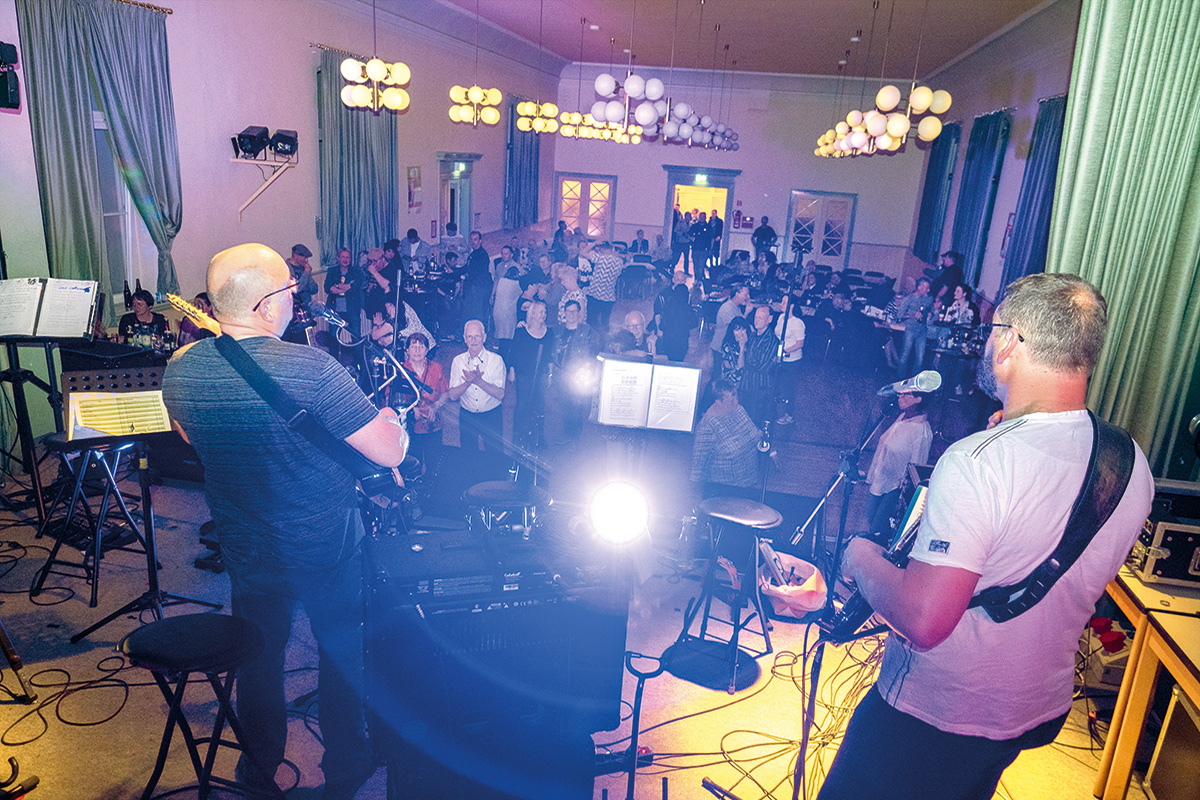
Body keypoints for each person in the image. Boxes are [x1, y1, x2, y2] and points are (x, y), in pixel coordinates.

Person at [821, 273, 1154, 800]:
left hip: (941, 711)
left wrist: (859, 556)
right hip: (1035, 707)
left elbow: (926, 620)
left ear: (1010, 342)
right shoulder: (1131, 460)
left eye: (992, 327)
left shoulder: (978, 463)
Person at [162, 243, 408, 800]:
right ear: (268, 304)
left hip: (247, 546)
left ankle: (258, 770)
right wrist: (391, 422)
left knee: (258, 658)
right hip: (326, 545)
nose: (297, 300)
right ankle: (346, 767)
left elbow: (188, 438)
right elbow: (388, 453)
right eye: (292, 292)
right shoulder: (314, 369)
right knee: (341, 653)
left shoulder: (180, 371)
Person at [862, 391, 934, 536]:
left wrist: (903, 491)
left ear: (918, 399)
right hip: (881, 480)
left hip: (895, 489)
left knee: (879, 530)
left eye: (905, 394)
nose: (899, 396)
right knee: (870, 518)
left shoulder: (921, 431)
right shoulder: (902, 418)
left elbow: (916, 466)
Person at [690, 379, 762, 499]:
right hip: (726, 491)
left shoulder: (739, 410)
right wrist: (695, 494)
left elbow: (755, 434)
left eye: (736, 397)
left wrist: (772, 452)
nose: (736, 402)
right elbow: (698, 464)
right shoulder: (707, 427)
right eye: (731, 400)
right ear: (718, 402)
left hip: (751, 483)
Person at [448, 319, 506, 457]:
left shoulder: (496, 360)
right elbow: (452, 396)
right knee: (468, 455)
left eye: (477, 336)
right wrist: (467, 383)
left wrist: (479, 382)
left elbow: (500, 395)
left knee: (495, 454)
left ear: (484, 337)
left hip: (491, 415)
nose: (473, 340)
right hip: (467, 416)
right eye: (469, 336)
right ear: (464, 339)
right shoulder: (458, 361)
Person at [508, 300, 555, 450]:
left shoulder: (549, 333)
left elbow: (549, 356)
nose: (544, 315)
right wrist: (512, 371)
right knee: (522, 403)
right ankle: (518, 434)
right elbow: (514, 353)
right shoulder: (521, 331)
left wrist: (550, 375)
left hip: (540, 374)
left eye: (545, 312)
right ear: (533, 314)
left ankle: (538, 436)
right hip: (523, 374)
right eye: (541, 312)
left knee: (540, 405)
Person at [553, 299, 598, 445]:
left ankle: (574, 437)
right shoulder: (557, 330)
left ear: (579, 313)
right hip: (562, 375)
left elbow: (595, 351)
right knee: (565, 406)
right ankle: (568, 433)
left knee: (577, 407)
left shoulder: (587, 331)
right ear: (564, 313)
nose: (571, 314)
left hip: (578, 376)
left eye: (574, 311)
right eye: (568, 311)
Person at [402, 332, 446, 472]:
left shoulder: (436, 368)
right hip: (410, 427)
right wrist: (409, 410)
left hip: (433, 424)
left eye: (421, 347)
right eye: (413, 346)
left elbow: (447, 392)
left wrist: (435, 406)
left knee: (435, 464)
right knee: (413, 465)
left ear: (427, 351)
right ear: (407, 350)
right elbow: (389, 399)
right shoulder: (400, 370)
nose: (417, 350)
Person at [740, 305, 780, 426]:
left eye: (760, 318)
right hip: (746, 385)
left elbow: (760, 366)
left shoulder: (772, 341)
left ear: (769, 319)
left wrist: (743, 357)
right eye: (756, 317)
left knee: (754, 422)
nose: (756, 320)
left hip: (759, 389)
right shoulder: (752, 336)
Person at [774, 301, 805, 424]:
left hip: (792, 360)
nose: (781, 304)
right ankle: (777, 410)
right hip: (780, 358)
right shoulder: (781, 317)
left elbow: (800, 343)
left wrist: (784, 351)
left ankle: (789, 414)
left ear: (791, 305)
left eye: (784, 302)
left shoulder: (797, 323)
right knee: (779, 384)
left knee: (788, 387)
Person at [895, 276, 933, 377]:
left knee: (920, 357)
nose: (928, 290)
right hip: (910, 330)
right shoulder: (909, 299)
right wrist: (912, 315)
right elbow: (899, 315)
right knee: (904, 355)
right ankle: (900, 379)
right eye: (926, 288)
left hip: (922, 330)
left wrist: (930, 313)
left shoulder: (929, 298)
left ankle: (915, 380)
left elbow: (930, 309)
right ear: (919, 287)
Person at [324, 248, 364, 337]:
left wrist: (336, 287)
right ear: (338, 258)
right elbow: (327, 288)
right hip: (335, 311)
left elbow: (355, 287)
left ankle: (357, 352)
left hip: (352, 310)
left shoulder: (356, 271)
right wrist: (346, 287)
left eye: (348, 257)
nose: (345, 260)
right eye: (343, 257)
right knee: (333, 338)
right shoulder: (332, 271)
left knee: (356, 338)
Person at [585, 241, 623, 331]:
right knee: (605, 324)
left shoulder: (600, 258)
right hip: (609, 297)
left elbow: (582, 252)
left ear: (602, 249)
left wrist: (594, 243)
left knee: (591, 322)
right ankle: (604, 341)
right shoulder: (620, 261)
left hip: (595, 296)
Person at [711, 283, 750, 369]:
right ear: (737, 294)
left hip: (727, 346)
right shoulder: (727, 308)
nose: (748, 297)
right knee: (717, 375)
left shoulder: (736, 307)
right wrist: (746, 313)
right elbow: (736, 326)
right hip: (720, 347)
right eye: (746, 294)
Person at [284, 244, 319, 309]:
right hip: (294, 308)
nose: (306, 260)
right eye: (304, 257)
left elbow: (314, 289)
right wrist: (306, 273)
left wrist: (307, 274)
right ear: (295, 256)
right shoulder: (286, 269)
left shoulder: (303, 268)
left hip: (306, 307)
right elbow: (296, 289)